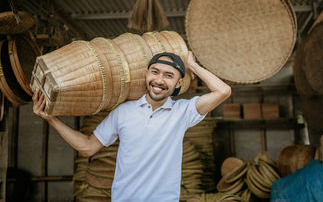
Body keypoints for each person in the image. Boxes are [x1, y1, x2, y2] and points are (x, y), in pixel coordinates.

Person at [33, 51, 231, 202]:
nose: (159, 80)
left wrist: (192, 66)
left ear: (178, 82)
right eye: (155, 72)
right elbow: (88, 147)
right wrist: (51, 119)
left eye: (169, 76)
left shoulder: (183, 112)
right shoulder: (123, 112)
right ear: (146, 74)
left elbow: (223, 91)